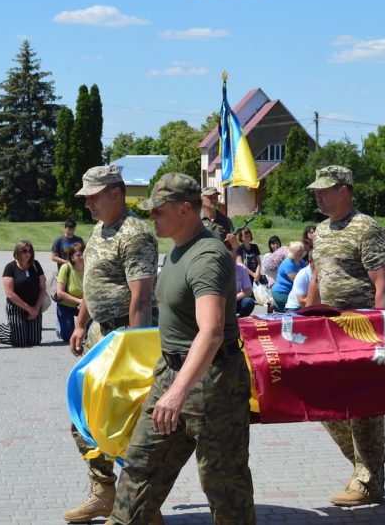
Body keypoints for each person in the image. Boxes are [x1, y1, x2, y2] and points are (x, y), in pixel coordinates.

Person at [105, 173, 253, 524]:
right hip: (172, 374)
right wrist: (169, 386)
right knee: (140, 466)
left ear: (185, 209)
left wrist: (177, 392)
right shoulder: (177, 251)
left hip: (211, 384)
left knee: (223, 485)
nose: (152, 217)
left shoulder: (207, 256)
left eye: (158, 211)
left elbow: (212, 331)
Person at [64, 164, 159, 524]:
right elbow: (92, 279)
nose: (88, 203)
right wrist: (80, 322)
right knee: (85, 418)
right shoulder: (99, 229)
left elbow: (141, 297)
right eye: (86, 197)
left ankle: (144, 506)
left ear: (116, 193)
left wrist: (134, 352)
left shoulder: (135, 233)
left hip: (124, 339)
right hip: (98, 336)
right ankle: (103, 491)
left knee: (126, 423)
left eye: (94, 196)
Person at [304, 165, 385, 507]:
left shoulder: (365, 228)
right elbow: (316, 278)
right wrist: (305, 320)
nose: (318, 196)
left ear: (345, 190)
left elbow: (382, 284)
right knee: (323, 402)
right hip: (327, 330)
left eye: (325, 190)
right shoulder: (322, 231)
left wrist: (382, 335)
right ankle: (365, 463)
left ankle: (369, 479)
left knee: (364, 406)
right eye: (316, 191)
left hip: (361, 329)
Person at [0, 240, 45, 348]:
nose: (27, 254)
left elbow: (43, 288)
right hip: (16, 308)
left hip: (34, 307)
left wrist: (36, 308)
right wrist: (29, 309)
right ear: (17, 252)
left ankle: (22, 329)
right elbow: (9, 293)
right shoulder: (10, 267)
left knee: (34, 341)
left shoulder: (36, 265)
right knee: (19, 342)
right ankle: (2, 330)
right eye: (24, 251)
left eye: (29, 251)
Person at [54, 242, 88, 342]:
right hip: (65, 305)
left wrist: (83, 303)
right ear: (72, 257)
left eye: (83, 254)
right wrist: (79, 301)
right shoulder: (66, 268)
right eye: (78, 255)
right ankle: (60, 326)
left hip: (83, 306)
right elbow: (59, 292)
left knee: (81, 336)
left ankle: (83, 327)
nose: (82, 257)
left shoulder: (89, 268)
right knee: (68, 337)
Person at [270, 242, 307, 312]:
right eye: (298, 251)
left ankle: (274, 305)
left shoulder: (302, 262)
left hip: (292, 292)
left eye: (302, 250)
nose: (301, 252)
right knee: (294, 307)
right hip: (281, 292)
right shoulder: (288, 263)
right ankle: (276, 305)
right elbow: (296, 281)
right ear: (293, 252)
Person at [227, 237, 257, 317]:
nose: (232, 260)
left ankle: (240, 320)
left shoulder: (241, 268)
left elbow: (248, 291)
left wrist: (233, 299)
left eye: (233, 258)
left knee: (249, 302)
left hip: (235, 299)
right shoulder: (219, 270)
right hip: (222, 301)